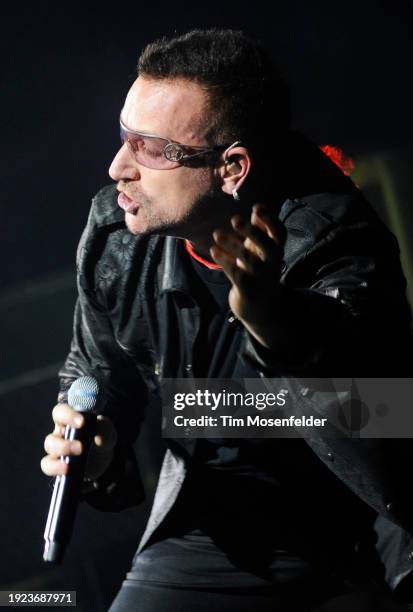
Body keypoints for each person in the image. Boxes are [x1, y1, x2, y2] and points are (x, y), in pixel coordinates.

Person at [41, 29, 413, 611]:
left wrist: (276, 325)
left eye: (152, 149)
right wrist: (98, 445)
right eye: (123, 136)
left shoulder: (335, 237)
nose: (118, 168)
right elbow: (96, 373)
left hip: (361, 528)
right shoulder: (117, 234)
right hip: (218, 528)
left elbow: (382, 415)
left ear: (232, 167)